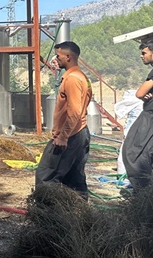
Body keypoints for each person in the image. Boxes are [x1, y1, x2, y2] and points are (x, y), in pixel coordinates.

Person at [35, 41, 93, 200]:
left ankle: (47, 214)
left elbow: (74, 111)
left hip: (71, 135)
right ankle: (79, 215)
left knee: (46, 175)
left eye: (58, 56)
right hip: (81, 132)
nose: (56, 59)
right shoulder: (82, 77)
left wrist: (63, 136)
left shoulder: (72, 79)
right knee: (74, 178)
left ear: (68, 57)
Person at [122, 40, 153, 192]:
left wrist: (143, 95)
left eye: (144, 53)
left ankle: (143, 190)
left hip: (150, 117)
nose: (142, 56)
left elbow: (139, 93)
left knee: (133, 150)